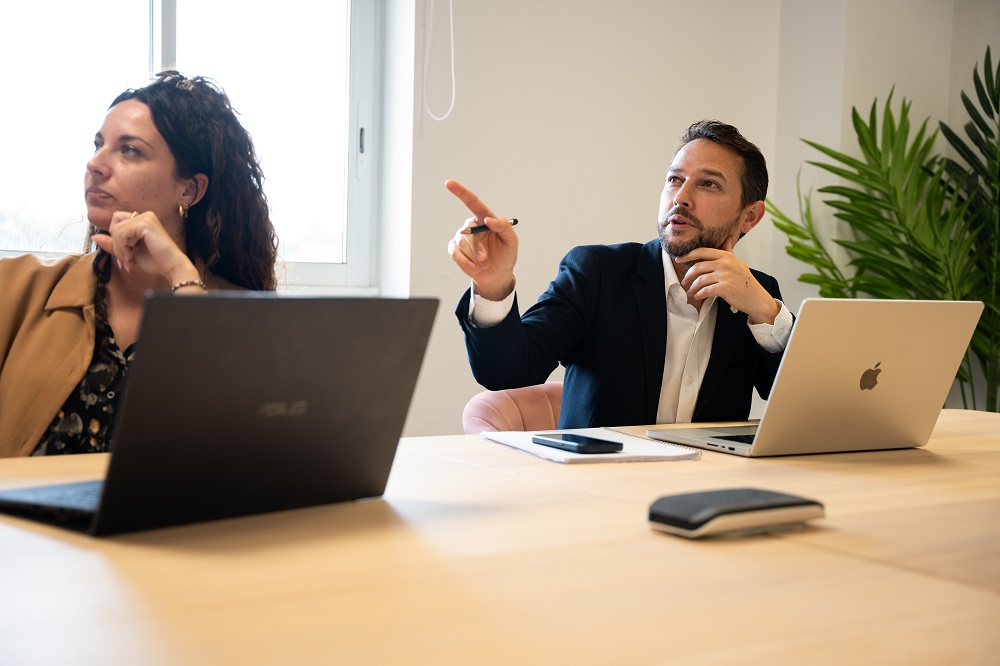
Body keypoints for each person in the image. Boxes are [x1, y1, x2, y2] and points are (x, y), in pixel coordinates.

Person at [0, 71, 279, 457]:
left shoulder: (246, 317)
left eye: (129, 150)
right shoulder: (14, 288)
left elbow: (252, 456)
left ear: (189, 189)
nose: (95, 163)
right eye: (99, 145)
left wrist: (182, 275)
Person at [446, 120, 794, 429]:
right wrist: (492, 287)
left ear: (750, 217)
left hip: (703, 494)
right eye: (675, 179)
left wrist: (767, 313)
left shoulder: (757, 294)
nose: (681, 198)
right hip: (601, 485)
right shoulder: (597, 273)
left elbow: (805, 407)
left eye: (708, 184)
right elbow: (507, 371)